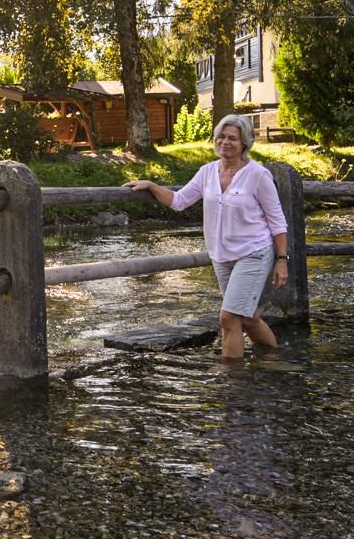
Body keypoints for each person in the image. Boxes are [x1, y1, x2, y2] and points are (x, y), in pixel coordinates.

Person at [124, 113, 289, 358]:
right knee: (247, 316)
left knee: (228, 317)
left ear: (244, 142)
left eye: (232, 138)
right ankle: (273, 358)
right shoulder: (207, 172)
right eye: (221, 136)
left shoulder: (258, 175)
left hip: (253, 253)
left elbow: (277, 221)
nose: (225, 142)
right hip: (221, 256)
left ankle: (231, 383)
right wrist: (151, 185)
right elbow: (179, 201)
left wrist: (282, 260)